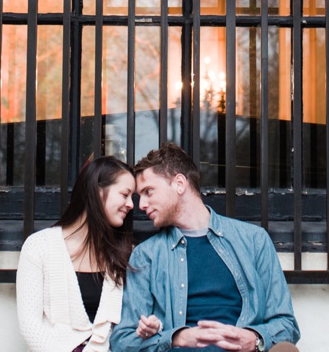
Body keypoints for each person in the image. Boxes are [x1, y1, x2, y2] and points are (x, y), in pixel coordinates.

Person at [110, 144, 301, 352]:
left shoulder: (254, 241)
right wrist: (176, 338)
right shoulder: (147, 255)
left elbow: (287, 326)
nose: (141, 205)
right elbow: (122, 341)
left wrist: (254, 339)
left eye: (148, 192)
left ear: (179, 184)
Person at [17, 155, 161, 352]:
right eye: (124, 194)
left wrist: (152, 326)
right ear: (96, 191)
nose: (131, 205)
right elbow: (30, 327)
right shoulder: (39, 246)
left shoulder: (129, 254)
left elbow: (142, 318)